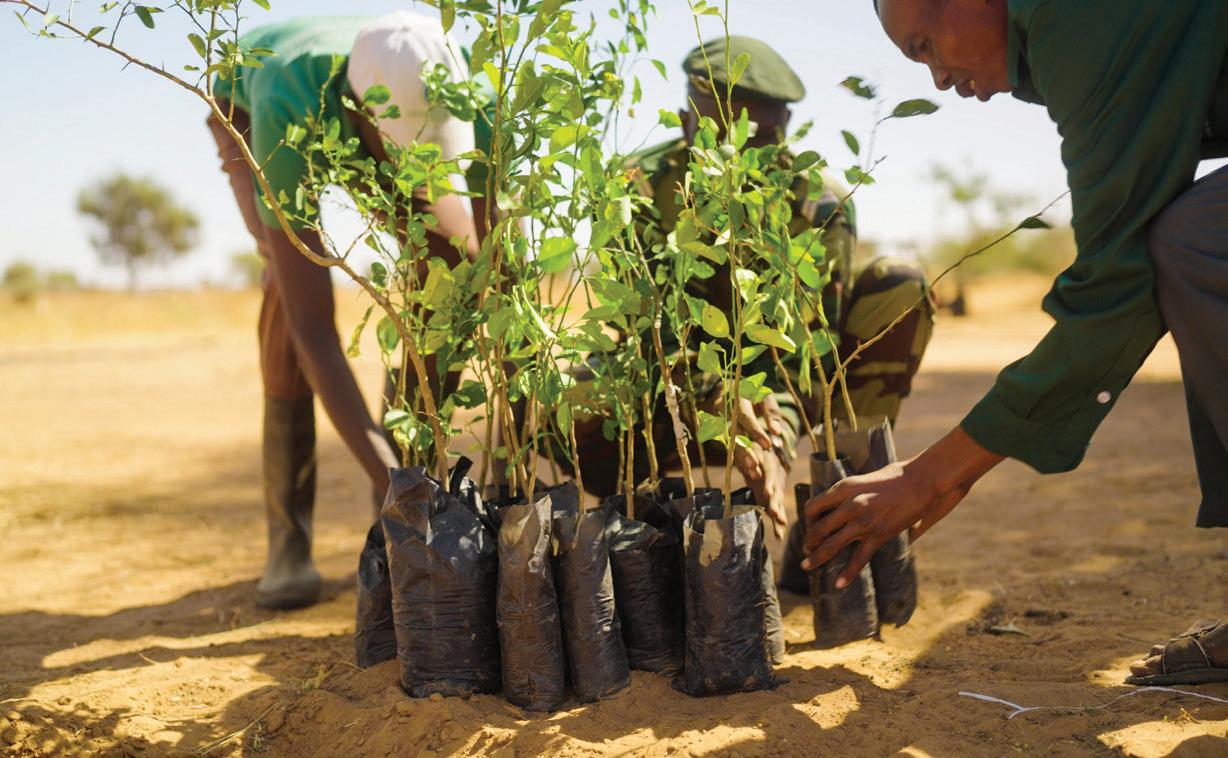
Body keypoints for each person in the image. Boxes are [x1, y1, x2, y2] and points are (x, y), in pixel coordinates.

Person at [805, 0, 1228, 685]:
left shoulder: (1075, 15)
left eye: (926, 44)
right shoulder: (1051, 43)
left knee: (1200, 243)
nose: (939, 78)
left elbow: (1114, 290)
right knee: (1192, 237)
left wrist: (931, 475)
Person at [566, 36, 933, 564]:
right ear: (685, 123)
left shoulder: (817, 203)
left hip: (773, 398)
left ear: (784, 130)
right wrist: (716, 395)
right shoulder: (634, 189)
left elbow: (807, 353)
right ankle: (642, 536)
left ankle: (839, 519)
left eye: (759, 139)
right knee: (576, 391)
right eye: (720, 138)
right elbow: (648, 337)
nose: (738, 158)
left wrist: (775, 444)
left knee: (899, 285)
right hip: (672, 390)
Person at [208, 12, 482, 609]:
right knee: (287, 289)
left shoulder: (463, 82)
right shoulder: (287, 109)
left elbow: (489, 255)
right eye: (407, 152)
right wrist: (390, 482)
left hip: (357, 103)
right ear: (364, 119)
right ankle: (289, 538)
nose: (419, 168)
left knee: (452, 265)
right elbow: (313, 327)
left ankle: (409, 484)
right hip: (252, 102)